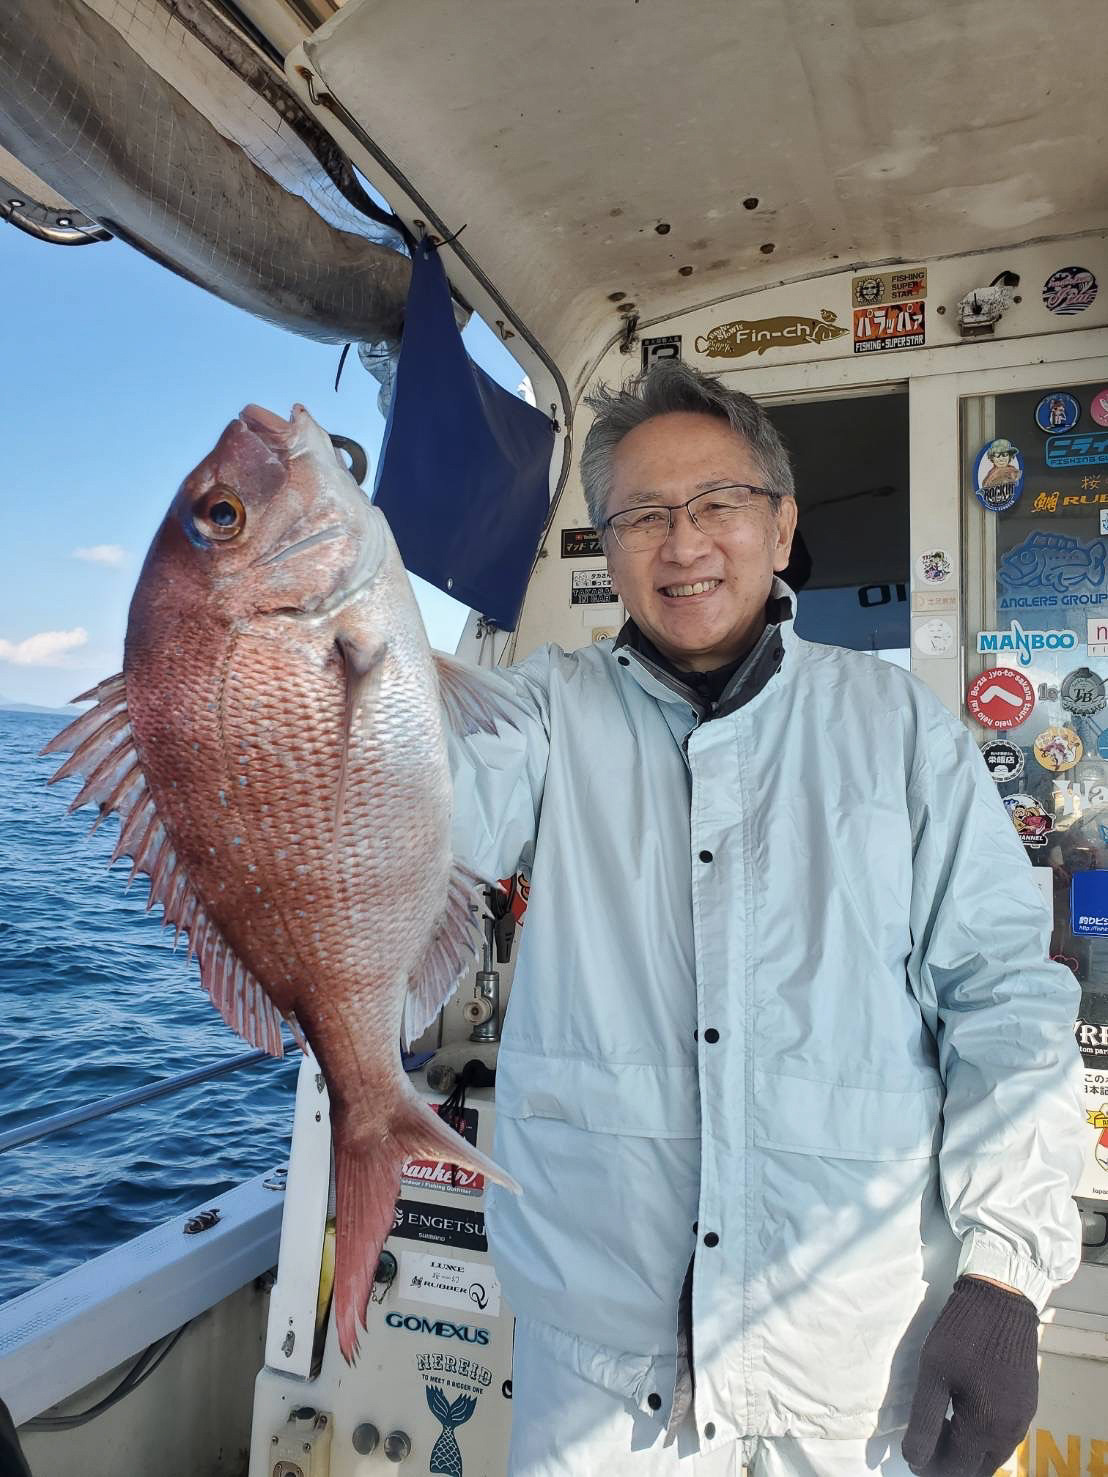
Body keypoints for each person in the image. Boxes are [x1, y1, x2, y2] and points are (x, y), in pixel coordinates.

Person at [448, 361, 1085, 1476]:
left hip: (848, 1374)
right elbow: (420, 798)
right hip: (597, 1387)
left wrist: (1002, 1275)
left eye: (718, 505)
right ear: (607, 546)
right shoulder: (541, 711)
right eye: (642, 515)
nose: (682, 543)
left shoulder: (898, 729)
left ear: (780, 526)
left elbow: (1003, 997)